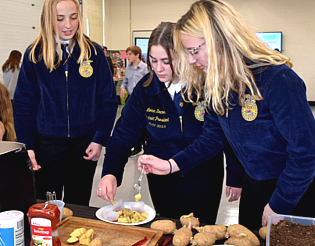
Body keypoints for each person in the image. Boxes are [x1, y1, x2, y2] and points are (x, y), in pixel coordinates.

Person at [139, 0, 315, 230]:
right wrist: (171, 165)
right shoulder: (216, 84)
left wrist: (280, 203)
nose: (190, 60)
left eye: (194, 51)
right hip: (256, 185)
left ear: (220, 39)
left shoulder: (277, 79)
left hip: (298, 188)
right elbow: (211, 139)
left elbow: (307, 152)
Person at [97, 22, 241, 224]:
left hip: (202, 175)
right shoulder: (146, 89)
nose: (158, 68)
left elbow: (221, 136)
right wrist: (110, 172)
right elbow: (123, 134)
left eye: (166, 61)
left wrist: (235, 174)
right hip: (161, 178)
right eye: (153, 60)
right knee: (168, 230)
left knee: (200, 232)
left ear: (182, 56)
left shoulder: (207, 86)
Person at [13, 0, 118, 205]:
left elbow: (107, 100)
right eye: (60, 19)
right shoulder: (35, 55)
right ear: (48, 20)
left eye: (73, 17)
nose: (68, 25)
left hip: (84, 145)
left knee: (78, 205)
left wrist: (99, 139)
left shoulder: (94, 53)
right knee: (46, 206)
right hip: (46, 146)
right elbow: (24, 104)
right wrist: (29, 147)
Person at [120, 45, 148, 155]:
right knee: (132, 123)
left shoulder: (145, 68)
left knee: (143, 124)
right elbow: (125, 82)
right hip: (131, 99)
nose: (128, 56)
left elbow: (149, 83)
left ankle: (146, 147)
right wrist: (122, 88)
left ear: (137, 55)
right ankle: (137, 146)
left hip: (143, 100)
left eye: (130, 54)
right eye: (127, 54)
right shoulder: (128, 68)